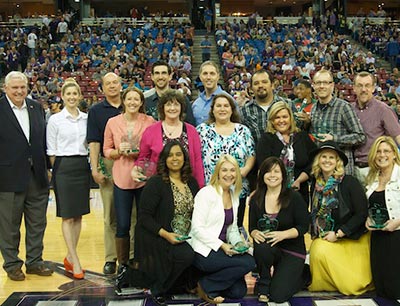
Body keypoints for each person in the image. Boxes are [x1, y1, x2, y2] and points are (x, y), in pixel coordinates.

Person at [128, 141, 200, 304]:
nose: (175, 158)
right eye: (170, 155)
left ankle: (180, 284)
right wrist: (166, 235)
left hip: (185, 235)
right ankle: (159, 288)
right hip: (158, 235)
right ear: (164, 160)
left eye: (178, 154)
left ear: (185, 158)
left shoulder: (192, 182)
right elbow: (144, 217)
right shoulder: (156, 183)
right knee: (186, 254)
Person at [0, 71, 53, 281]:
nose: (19, 91)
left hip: (37, 176)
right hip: (8, 177)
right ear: (6, 89)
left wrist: (47, 169)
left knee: (37, 223)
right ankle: (12, 264)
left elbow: (40, 142)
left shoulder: (36, 107)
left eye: (22, 87)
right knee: (9, 225)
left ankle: (34, 261)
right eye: (15, 88)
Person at [308, 141, 374, 295]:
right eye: (323, 156)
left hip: (352, 239)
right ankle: (329, 282)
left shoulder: (349, 182)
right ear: (318, 160)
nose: (327, 160)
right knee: (317, 248)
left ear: (338, 162)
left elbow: (362, 213)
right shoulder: (316, 185)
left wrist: (339, 233)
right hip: (328, 237)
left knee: (351, 285)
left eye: (332, 157)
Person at [189, 155, 255, 303]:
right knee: (249, 262)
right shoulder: (206, 193)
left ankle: (205, 281)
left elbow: (232, 229)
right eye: (224, 170)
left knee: (239, 291)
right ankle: (206, 285)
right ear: (217, 172)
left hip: (223, 250)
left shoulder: (234, 195)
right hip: (204, 251)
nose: (229, 174)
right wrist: (222, 245)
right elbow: (197, 229)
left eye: (233, 170)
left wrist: (239, 244)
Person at [103, 87, 155, 272]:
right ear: (123, 101)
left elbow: (154, 148)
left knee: (143, 221)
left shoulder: (150, 121)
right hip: (122, 177)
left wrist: (139, 153)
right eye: (129, 99)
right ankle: (123, 263)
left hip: (144, 177)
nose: (133, 102)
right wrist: (118, 152)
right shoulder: (112, 122)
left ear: (141, 102)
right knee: (123, 222)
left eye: (136, 99)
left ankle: (141, 259)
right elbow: (106, 150)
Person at [249, 157, 309, 303]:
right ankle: (264, 283)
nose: (272, 175)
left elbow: (303, 227)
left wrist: (283, 235)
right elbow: (252, 227)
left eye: (276, 171)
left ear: (283, 175)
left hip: (292, 250)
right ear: (262, 175)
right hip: (270, 249)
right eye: (268, 172)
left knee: (278, 296)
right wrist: (254, 232)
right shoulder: (256, 198)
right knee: (260, 246)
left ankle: (304, 274)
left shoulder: (294, 197)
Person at [46, 79, 90, 279]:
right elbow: (52, 151)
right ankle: (75, 259)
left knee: (79, 215)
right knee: (67, 216)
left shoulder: (86, 118)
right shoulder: (55, 120)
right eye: (68, 94)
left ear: (80, 96)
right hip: (63, 167)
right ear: (62, 97)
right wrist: (58, 170)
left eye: (75, 94)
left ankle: (69, 257)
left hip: (82, 166)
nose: (72, 97)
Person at [197, 94, 255, 227]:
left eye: (226, 106)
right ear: (212, 110)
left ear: (232, 109)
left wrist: (244, 171)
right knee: (212, 228)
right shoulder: (202, 130)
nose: (222, 109)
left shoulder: (243, 130)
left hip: (237, 189)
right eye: (218, 106)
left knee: (234, 226)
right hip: (211, 189)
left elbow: (251, 154)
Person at [87, 72, 123, 275]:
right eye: (108, 83)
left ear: (121, 85)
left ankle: (131, 256)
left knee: (134, 213)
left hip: (131, 164)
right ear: (102, 88)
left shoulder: (131, 104)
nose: (112, 86)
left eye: (115, 82)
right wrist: (95, 168)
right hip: (108, 164)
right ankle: (111, 258)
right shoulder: (96, 111)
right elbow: (94, 143)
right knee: (110, 214)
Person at [133, 90, 204, 187]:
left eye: (176, 105)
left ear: (181, 108)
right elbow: (143, 158)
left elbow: (197, 160)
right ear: (162, 108)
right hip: (159, 186)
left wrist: (200, 187)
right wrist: (136, 169)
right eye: (168, 105)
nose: (172, 108)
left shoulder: (192, 131)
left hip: (187, 185)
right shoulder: (150, 131)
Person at [256, 102, 316, 202]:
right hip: (273, 194)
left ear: (290, 118)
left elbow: (314, 160)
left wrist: (299, 180)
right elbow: (263, 167)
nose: (281, 121)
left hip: (300, 192)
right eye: (277, 117)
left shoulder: (302, 136)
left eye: (285, 117)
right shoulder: (266, 139)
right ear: (272, 121)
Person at [310, 69, 366, 175]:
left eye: (326, 82)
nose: (322, 86)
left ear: (332, 85)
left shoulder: (343, 107)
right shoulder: (314, 109)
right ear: (313, 85)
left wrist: (334, 139)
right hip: (322, 172)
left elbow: (360, 137)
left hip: (341, 172)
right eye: (318, 83)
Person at [365, 136, 400, 300]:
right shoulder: (371, 176)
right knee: (382, 290)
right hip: (378, 237)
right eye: (378, 151)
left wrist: (398, 222)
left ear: (394, 154)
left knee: (395, 290)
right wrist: (367, 219)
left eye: (386, 151)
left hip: (397, 235)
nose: (382, 155)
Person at [353, 72, 400, 185]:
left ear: (373, 88)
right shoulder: (349, 110)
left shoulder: (384, 110)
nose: (363, 89)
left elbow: (398, 137)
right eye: (360, 85)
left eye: (367, 85)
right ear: (354, 88)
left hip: (377, 169)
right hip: (354, 170)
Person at [240, 69, 297, 145]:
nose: (260, 85)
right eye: (256, 83)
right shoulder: (244, 111)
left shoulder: (288, 105)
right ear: (251, 88)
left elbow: (297, 131)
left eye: (264, 82)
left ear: (272, 85)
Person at [144, 61, 195, 125]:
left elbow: (191, 126)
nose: (160, 77)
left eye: (164, 73)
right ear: (152, 77)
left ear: (170, 76)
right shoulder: (145, 100)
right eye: (157, 73)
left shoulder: (182, 99)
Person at [192, 61, 234, 126]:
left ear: (218, 76)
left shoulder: (228, 100)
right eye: (205, 73)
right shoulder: (196, 104)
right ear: (200, 77)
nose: (208, 77)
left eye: (212, 73)